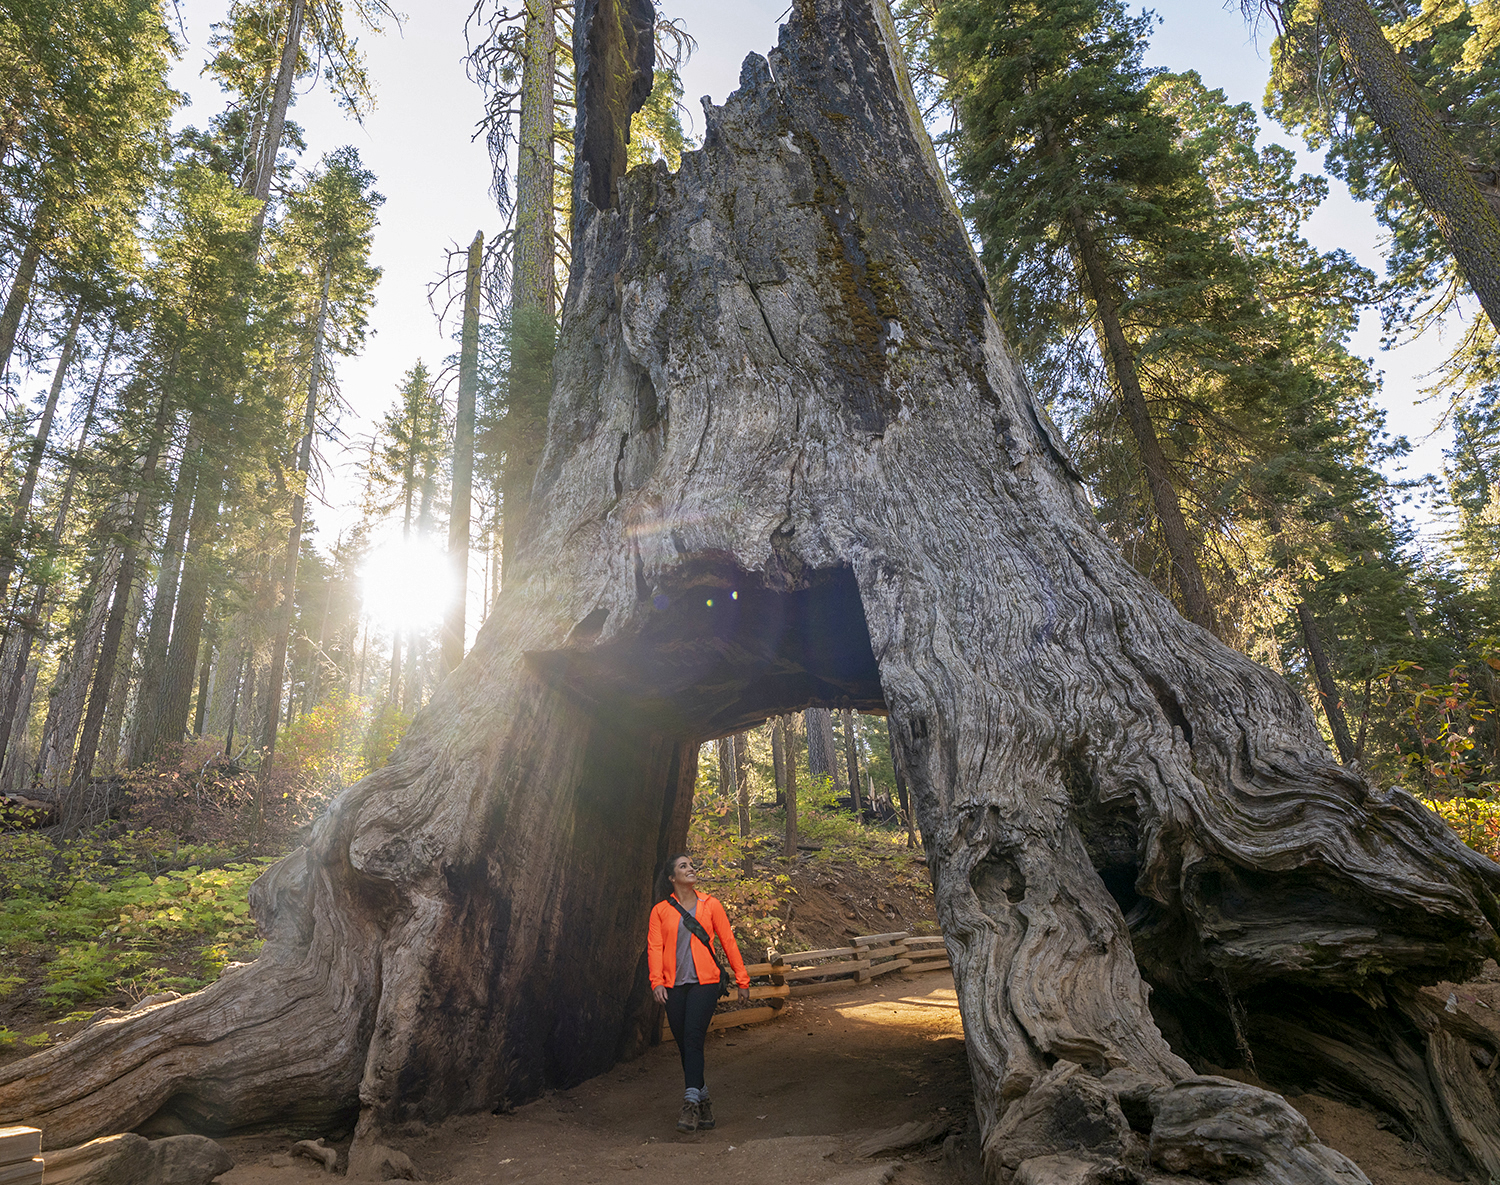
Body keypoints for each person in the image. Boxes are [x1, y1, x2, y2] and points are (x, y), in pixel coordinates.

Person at [647, 853, 751, 1133]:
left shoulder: (711, 904)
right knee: (685, 1045)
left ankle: (690, 1104)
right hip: (673, 985)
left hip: (705, 983)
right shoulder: (660, 911)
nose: (690, 869)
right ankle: (704, 1100)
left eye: (691, 865)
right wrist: (656, 981)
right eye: (683, 866)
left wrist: (742, 980)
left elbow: (728, 941)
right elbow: (655, 947)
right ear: (672, 878)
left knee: (693, 1037)